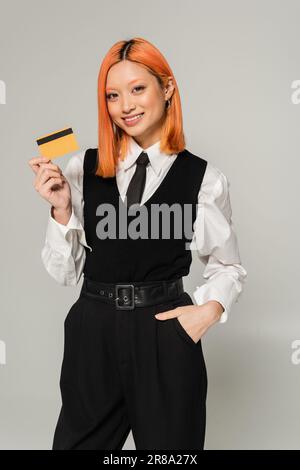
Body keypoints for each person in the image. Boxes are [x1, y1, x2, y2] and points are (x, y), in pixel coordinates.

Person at [28, 37, 247, 450]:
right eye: (113, 95)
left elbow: (228, 266)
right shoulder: (82, 168)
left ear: (166, 89)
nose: (125, 105)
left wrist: (204, 314)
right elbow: (64, 273)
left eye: (137, 89)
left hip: (165, 332)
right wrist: (60, 212)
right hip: (93, 331)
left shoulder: (204, 179)